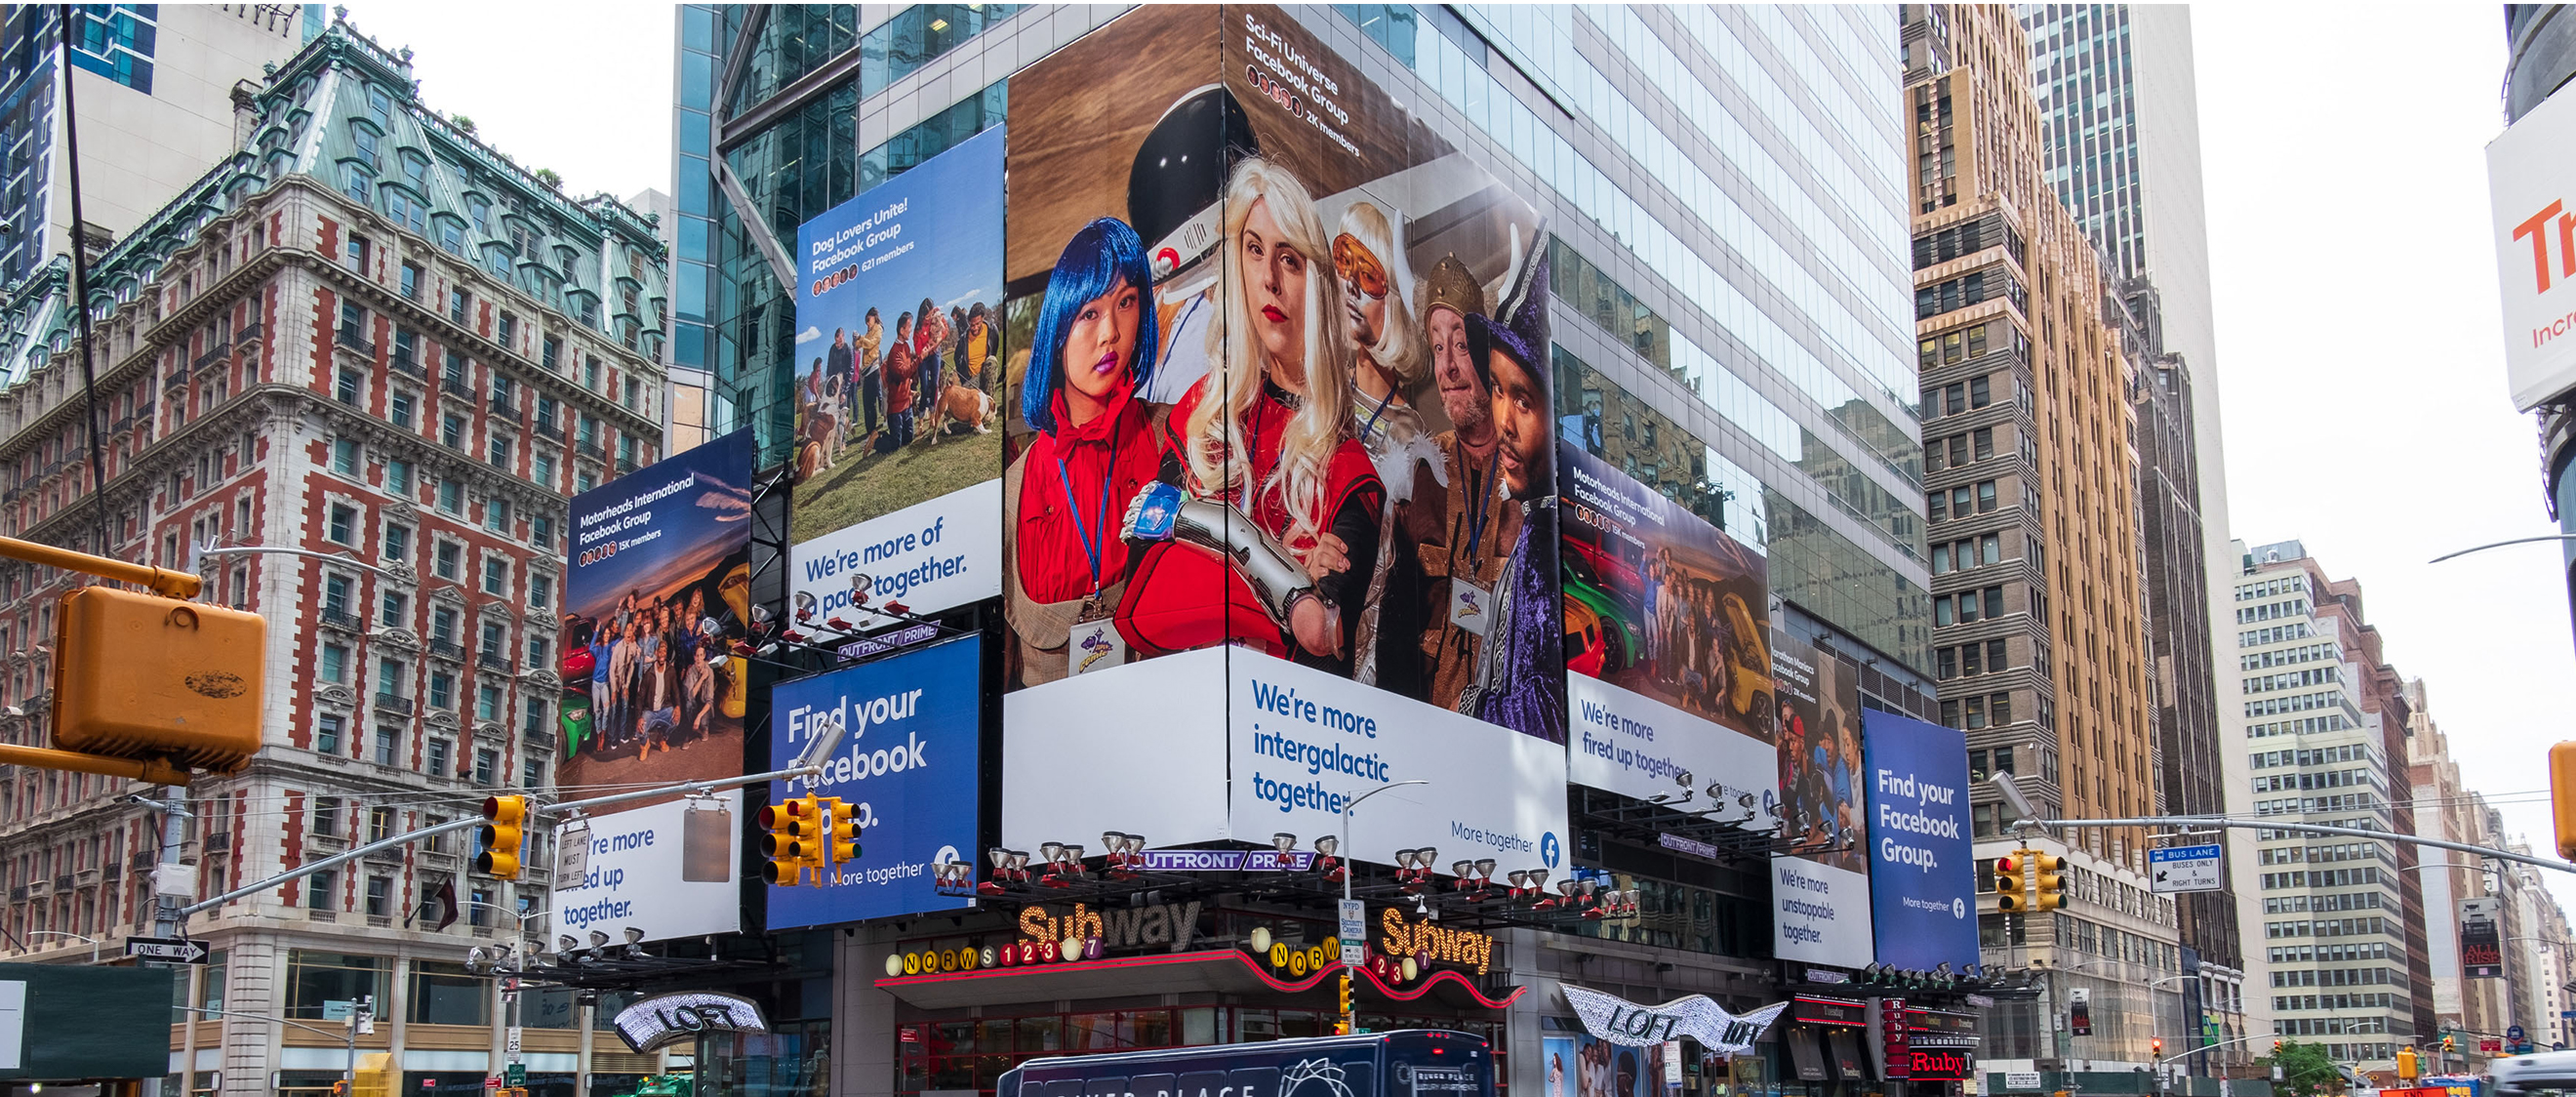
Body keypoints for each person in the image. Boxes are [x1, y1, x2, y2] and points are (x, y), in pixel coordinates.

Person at [1161, 158, 1383, 674]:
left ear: (1317, 282)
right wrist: (1286, 565)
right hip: (1185, 705)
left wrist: (1213, 553)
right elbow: (1148, 568)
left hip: (1287, 731)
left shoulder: (1348, 470)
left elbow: (1322, 634)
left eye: (1289, 260)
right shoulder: (1199, 419)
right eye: (1254, 249)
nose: (1268, 280)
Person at [1002, 218, 1166, 685]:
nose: (1110, 332)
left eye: (1126, 303)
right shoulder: (1014, 492)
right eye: (1089, 313)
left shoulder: (1174, 438)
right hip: (1052, 748)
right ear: (1058, 329)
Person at [1456, 262, 1563, 743]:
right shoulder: (1537, 528)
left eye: (1523, 401)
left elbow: (1549, 717)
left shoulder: (1548, 546)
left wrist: (1473, 708)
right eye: (1497, 390)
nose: (1503, 421)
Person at [1334, 201, 1437, 694]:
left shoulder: (1410, 432)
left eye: (1369, 274)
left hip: (1374, 653)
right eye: (1342, 261)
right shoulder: (1320, 394)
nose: (1351, 285)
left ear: (1391, 296)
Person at [1410, 254, 1512, 711]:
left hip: (1507, 724)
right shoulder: (1423, 470)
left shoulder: (1525, 473)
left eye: (1462, 346)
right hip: (1427, 717)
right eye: (1437, 348)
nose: (1447, 367)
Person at [882, 312, 918, 451]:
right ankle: (876, 440)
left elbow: (911, 369)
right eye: (909, 326)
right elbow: (903, 373)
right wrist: (919, 360)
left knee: (908, 439)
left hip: (907, 404)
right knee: (895, 445)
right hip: (896, 407)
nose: (910, 329)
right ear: (902, 330)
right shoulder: (894, 352)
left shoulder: (907, 347)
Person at [857, 308, 885, 442]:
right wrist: (856, 340)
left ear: (874, 317)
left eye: (868, 320)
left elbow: (871, 343)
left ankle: (873, 431)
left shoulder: (878, 329)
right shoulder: (868, 332)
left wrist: (861, 339)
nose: (867, 324)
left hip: (874, 369)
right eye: (866, 322)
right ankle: (870, 433)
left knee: (872, 403)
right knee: (867, 404)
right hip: (866, 371)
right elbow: (858, 345)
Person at [826, 328, 855, 457]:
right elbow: (829, 368)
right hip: (833, 386)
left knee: (842, 413)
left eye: (840, 342)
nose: (838, 345)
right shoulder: (832, 350)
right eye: (836, 342)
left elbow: (850, 371)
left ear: (843, 337)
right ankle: (834, 440)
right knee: (834, 413)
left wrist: (844, 392)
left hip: (843, 385)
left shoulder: (848, 349)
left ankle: (843, 441)